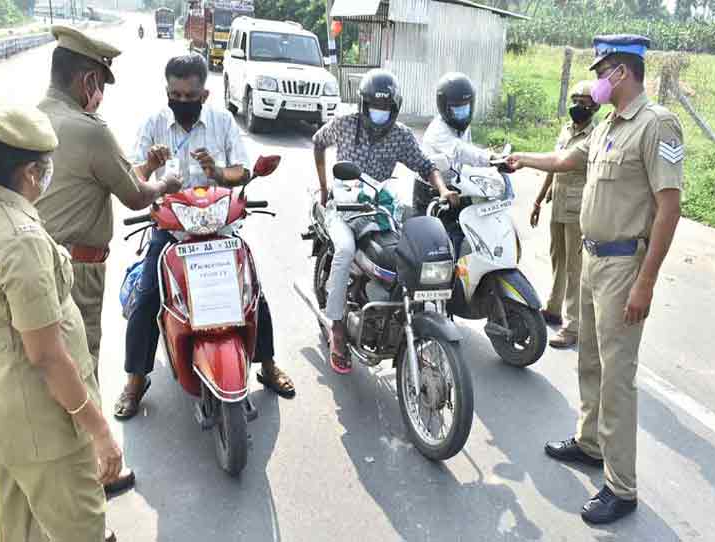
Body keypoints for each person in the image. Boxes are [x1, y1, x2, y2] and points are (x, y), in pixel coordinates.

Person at [506, 35, 683, 524]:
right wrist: (523, 159)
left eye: (601, 72)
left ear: (620, 74)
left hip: (625, 266)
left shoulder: (656, 125)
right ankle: (590, 444)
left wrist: (645, 282)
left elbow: (670, 208)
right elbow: (567, 161)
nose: (596, 83)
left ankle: (621, 487)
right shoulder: (607, 125)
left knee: (618, 378)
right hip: (591, 261)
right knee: (589, 360)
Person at [0, 105, 121, 542]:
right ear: (29, 173)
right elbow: (45, 355)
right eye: (46, 169)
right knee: (80, 530)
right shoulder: (21, 239)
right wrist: (99, 432)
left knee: (19, 530)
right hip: (45, 424)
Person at [35, 25, 182, 494]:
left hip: (38, 261)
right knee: (82, 366)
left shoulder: (34, 120)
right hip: (77, 272)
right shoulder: (89, 129)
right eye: (100, 84)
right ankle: (93, 475)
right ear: (88, 83)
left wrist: (147, 170)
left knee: (49, 368)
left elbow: (97, 182)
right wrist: (165, 184)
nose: (101, 95)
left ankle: (60, 469)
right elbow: (137, 197)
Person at [114, 54, 295, 420]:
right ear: (167, 91)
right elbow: (132, 174)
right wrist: (149, 165)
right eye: (175, 94)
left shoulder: (222, 121)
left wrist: (217, 173)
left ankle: (268, 363)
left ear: (204, 93)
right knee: (149, 296)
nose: (182, 101)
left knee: (252, 294)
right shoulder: (154, 124)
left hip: (218, 230)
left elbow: (242, 170)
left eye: (189, 94)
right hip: (172, 231)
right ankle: (135, 380)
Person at [313, 68, 459, 373]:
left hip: (378, 207)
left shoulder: (401, 136)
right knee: (343, 250)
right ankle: (337, 326)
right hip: (342, 205)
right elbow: (318, 142)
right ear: (364, 106)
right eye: (375, 108)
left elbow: (425, 165)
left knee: (412, 245)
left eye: (386, 109)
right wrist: (325, 187)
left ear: (394, 110)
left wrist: (443, 189)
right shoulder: (344, 125)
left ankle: (406, 307)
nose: (380, 114)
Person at [530, 80, 600, 349]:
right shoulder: (567, 130)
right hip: (558, 205)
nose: (577, 106)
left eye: (583, 102)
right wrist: (538, 200)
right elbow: (554, 165)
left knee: (575, 267)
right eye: (575, 100)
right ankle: (553, 308)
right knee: (558, 258)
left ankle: (571, 327)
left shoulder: (595, 135)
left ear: (594, 106)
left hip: (578, 209)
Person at [415, 71, 491, 256]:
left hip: (454, 186)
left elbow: (468, 155)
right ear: (444, 107)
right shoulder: (438, 129)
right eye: (456, 107)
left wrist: (492, 169)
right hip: (431, 190)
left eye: (465, 106)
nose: (462, 112)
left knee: (462, 234)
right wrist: (491, 158)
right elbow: (460, 151)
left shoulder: (463, 126)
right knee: (436, 246)